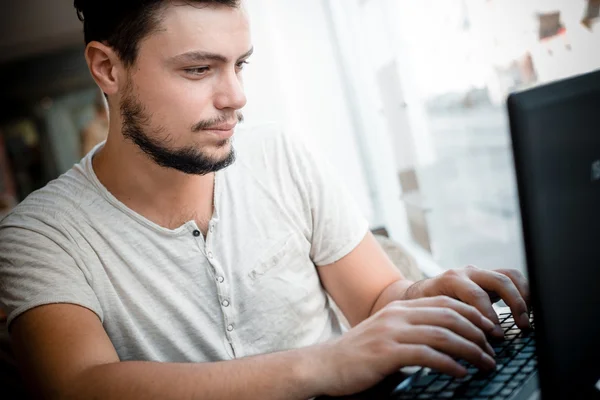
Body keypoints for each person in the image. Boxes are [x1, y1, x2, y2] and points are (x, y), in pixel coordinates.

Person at [0, 1, 531, 399]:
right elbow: (81, 385)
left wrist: (423, 296)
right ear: (108, 69)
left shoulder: (280, 153)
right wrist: (324, 363)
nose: (235, 96)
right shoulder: (39, 234)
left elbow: (372, 301)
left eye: (240, 64)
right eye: (198, 69)